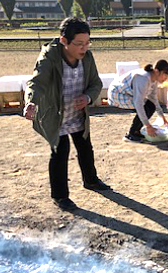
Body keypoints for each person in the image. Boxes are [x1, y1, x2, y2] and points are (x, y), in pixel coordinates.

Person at [23, 17, 110, 212]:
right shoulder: (49, 58)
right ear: (64, 41)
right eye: (79, 44)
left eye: (87, 43)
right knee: (60, 152)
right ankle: (60, 196)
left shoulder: (87, 58)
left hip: (78, 114)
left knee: (85, 148)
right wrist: (31, 102)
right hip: (56, 114)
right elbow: (36, 83)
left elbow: (96, 83)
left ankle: (91, 180)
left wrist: (87, 97)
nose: (84, 48)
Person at [107, 60, 168, 142]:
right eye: (164, 76)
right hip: (117, 94)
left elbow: (153, 99)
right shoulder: (143, 78)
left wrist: (162, 117)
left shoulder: (154, 80)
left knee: (150, 106)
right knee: (144, 107)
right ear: (156, 71)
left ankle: (136, 131)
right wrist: (148, 125)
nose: (165, 80)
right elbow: (138, 103)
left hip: (128, 94)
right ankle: (131, 134)